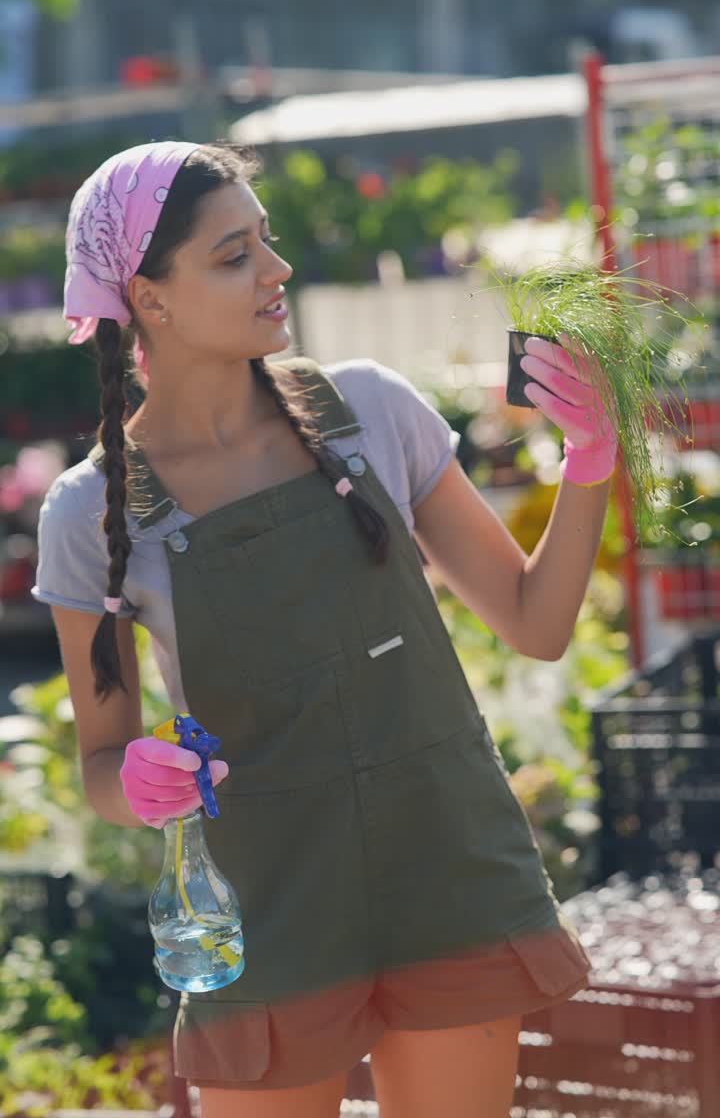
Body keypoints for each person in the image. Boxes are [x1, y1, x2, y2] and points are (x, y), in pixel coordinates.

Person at [33, 139, 617, 1118]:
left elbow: (537, 622)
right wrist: (133, 782)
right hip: (269, 904)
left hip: (447, 867)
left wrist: (589, 462)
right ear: (148, 296)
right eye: (235, 255)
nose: (277, 268)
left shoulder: (371, 410)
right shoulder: (91, 513)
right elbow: (101, 761)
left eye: (266, 240)